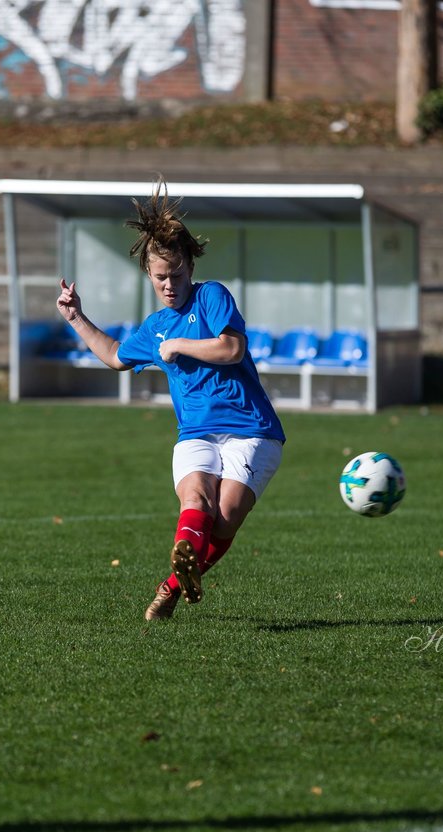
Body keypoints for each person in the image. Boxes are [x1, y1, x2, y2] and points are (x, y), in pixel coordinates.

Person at [56, 180, 286, 620]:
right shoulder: (155, 325)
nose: (168, 285)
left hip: (252, 429)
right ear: (148, 274)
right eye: (160, 277)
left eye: (176, 275)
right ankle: (183, 563)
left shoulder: (212, 296)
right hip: (196, 432)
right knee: (195, 501)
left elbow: (231, 348)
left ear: (190, 268)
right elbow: (115, 356)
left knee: (224, 518)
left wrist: (180, 345)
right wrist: (76, 317)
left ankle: (171, 586)